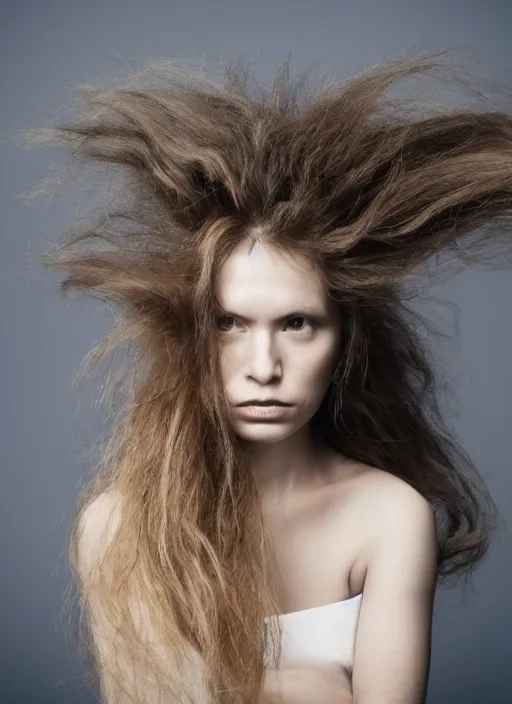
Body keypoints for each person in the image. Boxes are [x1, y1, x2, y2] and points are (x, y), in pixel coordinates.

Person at [20, 49, 512, 703]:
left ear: (345, 341)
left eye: (297, 324)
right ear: (187, 337)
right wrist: (303, 686)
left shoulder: (390, 517)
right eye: (229, 324)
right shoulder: (117, 527)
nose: (263, 367)